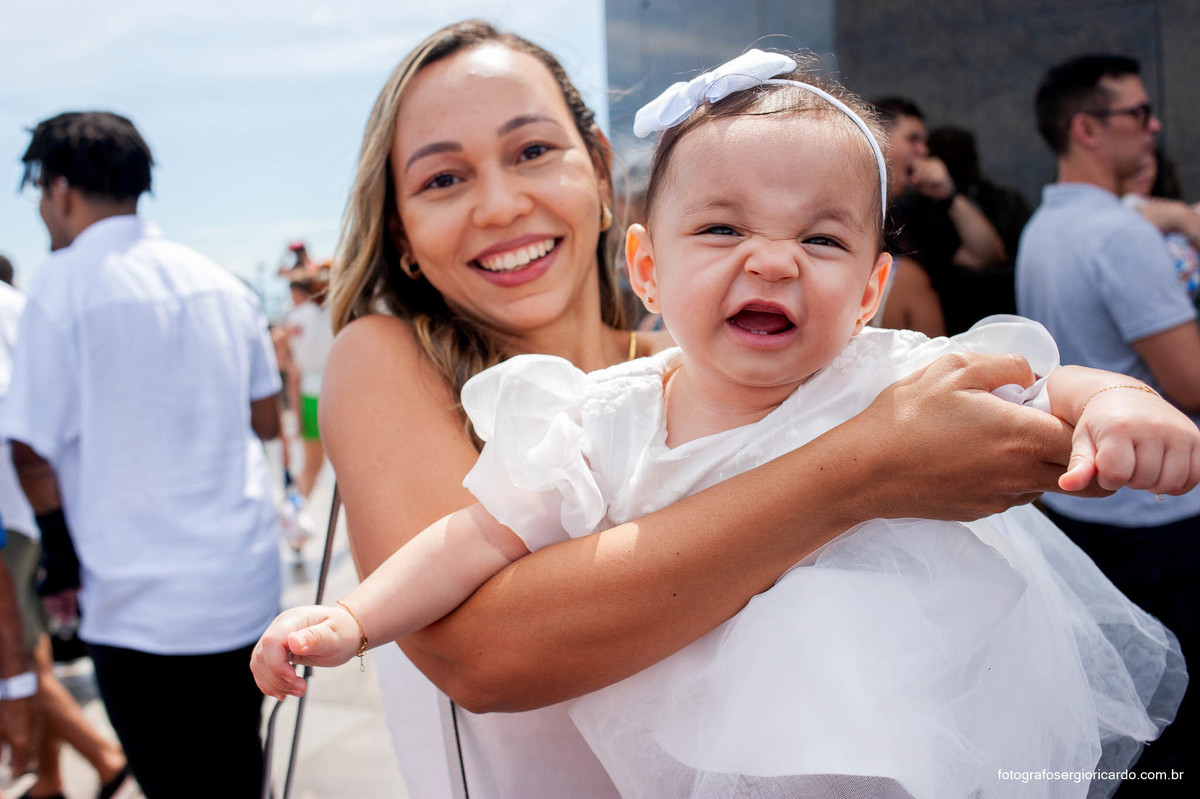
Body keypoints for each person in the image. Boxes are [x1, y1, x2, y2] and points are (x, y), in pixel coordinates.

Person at [254, 49, 1191, 798]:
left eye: (821, 238)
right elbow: (477, 578)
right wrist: (349, 615)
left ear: (594, 161)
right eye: (444, 176)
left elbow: (1042, 381)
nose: (774, 261)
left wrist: (1121, 403)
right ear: (650, 257)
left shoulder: (855, 370)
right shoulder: (579, 413)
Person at [0, 111, 283, 799]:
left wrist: (59, 555)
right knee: (238, 771)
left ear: (59, 187)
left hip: (138, 602)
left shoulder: (62, 285)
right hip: (243, 589)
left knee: (172, 779)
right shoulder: (219, 282)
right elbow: (267, 419)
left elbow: (30, 448)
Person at [1016, 53, 1200, 786]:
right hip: (1155, 512)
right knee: (1171, 717)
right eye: (1138, 114)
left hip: (1081, 500)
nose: (1153, 128)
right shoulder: (1118, 235)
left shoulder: (1044, 225)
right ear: (1086, 128)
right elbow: (1190, 379)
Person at [1, 277, 130, 799]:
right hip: (27, 511)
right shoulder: (19, 305)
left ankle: (105, 759)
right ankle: (52, 780)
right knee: (32, 651)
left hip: (11, 515)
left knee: (17, 658)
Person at [874, 98, 1009, 337]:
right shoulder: (846, 210)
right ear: (879, 139)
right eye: (913, 139)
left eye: (924, 142)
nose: (924, 151)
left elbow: (988, 255)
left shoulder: (911, 216)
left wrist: (950, 196)